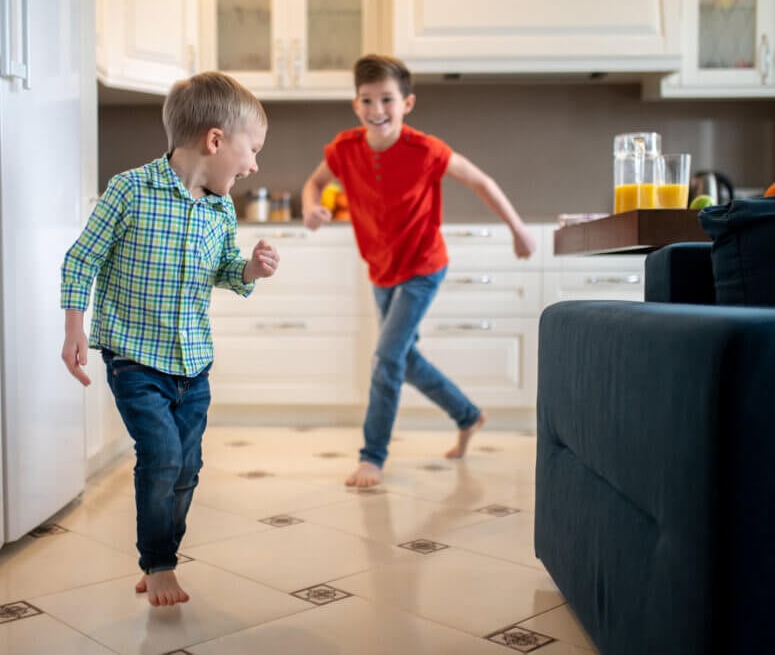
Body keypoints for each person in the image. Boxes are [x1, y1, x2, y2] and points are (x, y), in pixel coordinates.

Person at [59, 71, 279, 607]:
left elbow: (226, 269)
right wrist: (74, 328)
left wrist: (250, 268)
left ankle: (162, 554)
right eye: (251, 150)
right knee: (159, 456)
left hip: (193, 365)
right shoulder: (129, 190)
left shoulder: (220, 208)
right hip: (134, 356)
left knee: (187, 468)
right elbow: (81, 258)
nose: (254, 165)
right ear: (215, 140)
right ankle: (158, 564)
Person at [301, 54, 536, 488]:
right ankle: (468, 415)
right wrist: (311, 208)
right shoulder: (345, 149)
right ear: (356, 105)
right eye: (367, 100)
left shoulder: (425, 150)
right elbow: (314, 184)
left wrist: (518, 230)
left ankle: (372, 457)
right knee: (404, 360)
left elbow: (481, 181)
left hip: (424, 267)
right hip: (381, 270)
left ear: (407, 103)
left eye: (387, 99)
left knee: (386, 358)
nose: (377, 110)